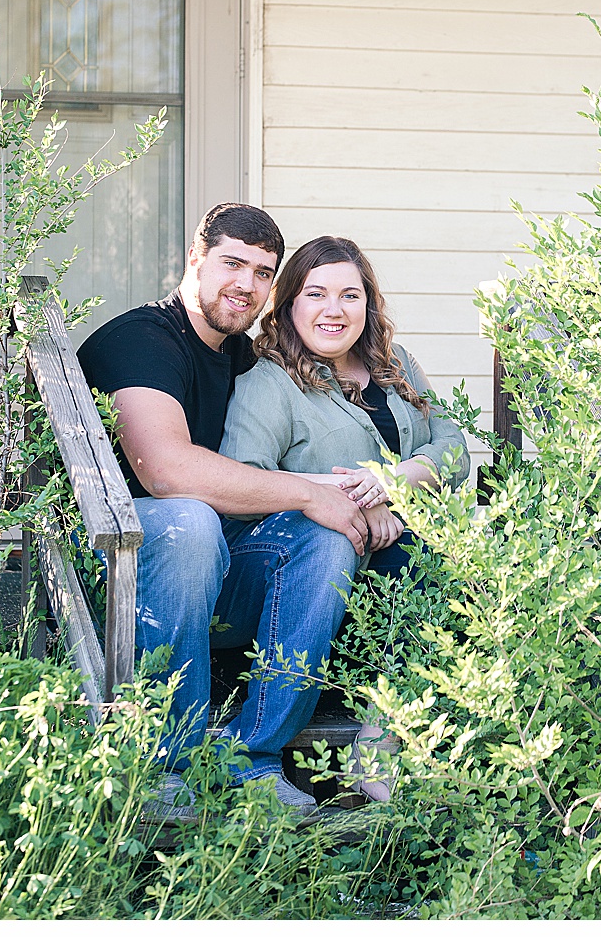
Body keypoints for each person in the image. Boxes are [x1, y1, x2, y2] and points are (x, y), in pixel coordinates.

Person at [78, 203, 386, 817]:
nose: (246, 285)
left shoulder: (243, 357)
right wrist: (308, 492)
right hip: (121, 571)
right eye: (232, 264)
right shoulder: (142, 339)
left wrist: (370, 493)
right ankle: (168, 765)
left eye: (264, 272)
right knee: (190, 519)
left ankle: (252, 758)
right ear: (195, 259)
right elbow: (165, 471)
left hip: (217, 571)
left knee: (327, 537)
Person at [220, 234, 468, 799]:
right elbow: (242, 481)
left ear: (368, 304)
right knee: (394, 557)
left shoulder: (396, 365)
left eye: (350, 295)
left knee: (450, 561)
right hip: (296, 575)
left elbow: (453, 447)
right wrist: (356, 501)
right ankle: (249, 753)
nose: (334, 310)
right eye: (316, 294)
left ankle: (380, 742)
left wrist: (393, 487)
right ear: (287, 306)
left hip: (392, 558)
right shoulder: (269, 384)